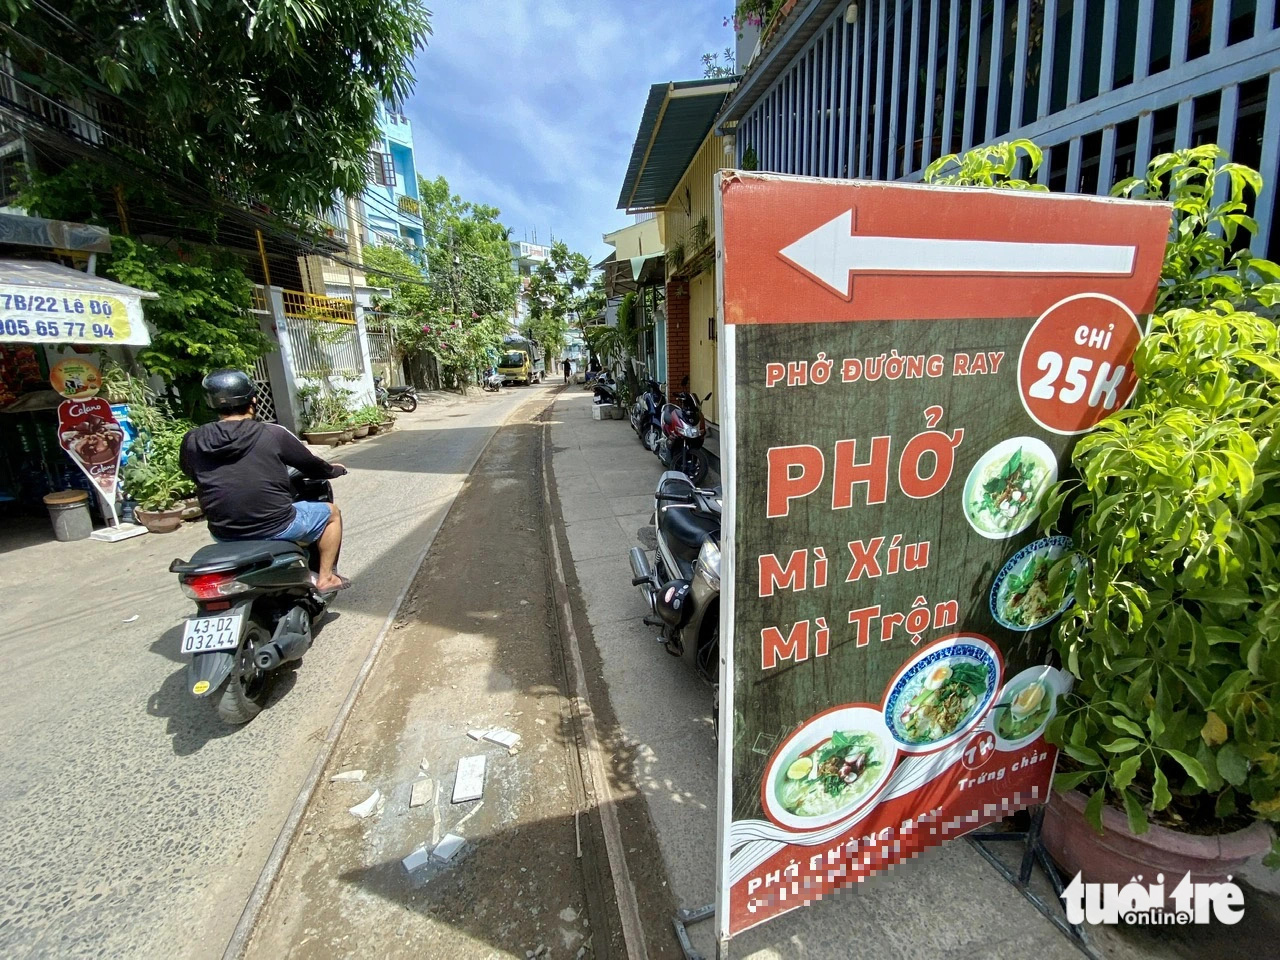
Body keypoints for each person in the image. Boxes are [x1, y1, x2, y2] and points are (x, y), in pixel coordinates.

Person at [180, 370, 350, 592]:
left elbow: (190, 471)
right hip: (278, 525)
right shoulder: (272, 433)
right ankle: (326, 578)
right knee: (331, 514)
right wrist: (332, 470)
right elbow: (311, 465)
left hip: (223, 532)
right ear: (253, 400)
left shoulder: (192, 439)